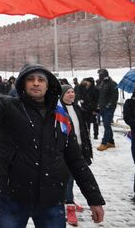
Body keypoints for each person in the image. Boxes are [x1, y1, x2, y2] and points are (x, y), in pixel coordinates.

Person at [0, 64, 105, 227]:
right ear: (23, 84)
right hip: (14, 197)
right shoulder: (7, 106)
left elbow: (76, 160)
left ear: (49, 86)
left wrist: (94, 198)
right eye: (30, 79)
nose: (36, 83)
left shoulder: (60, 116)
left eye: (41, 79)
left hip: (52, 200)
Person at [58, 85, 93, 226]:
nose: (71, 94)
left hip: (79, 148)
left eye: (72, 92)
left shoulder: (77, 108)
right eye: (68, 92)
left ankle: (69, 199)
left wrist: (87, 150)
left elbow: (83, 130)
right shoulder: (60, 110)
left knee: (75, 177)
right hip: (66, 149)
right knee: (68, 178)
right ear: (62, 95)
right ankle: (69, 206)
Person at [96, 69, 118, 151]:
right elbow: (101, 95)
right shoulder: (102, 83)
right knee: (107, 125)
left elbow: (115, 96)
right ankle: (111, 142)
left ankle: (104, 143)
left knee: (107, 125)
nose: (99, 76)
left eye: (100, 74)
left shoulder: (112, 83)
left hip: (109, 108)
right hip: (102, 107)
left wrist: (109, 105)